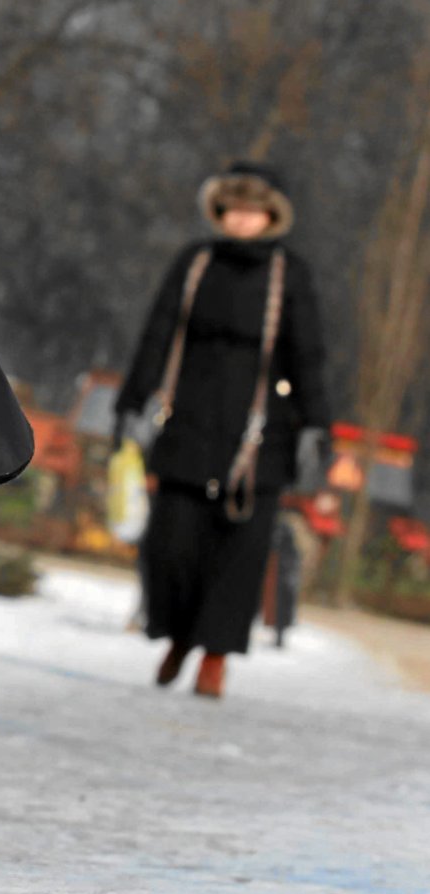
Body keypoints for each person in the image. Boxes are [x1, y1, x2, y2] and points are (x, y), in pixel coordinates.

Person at [114, 162, 330, 699]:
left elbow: (308, 356)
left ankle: (214, 656)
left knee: (239, 556)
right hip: (187, 426)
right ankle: (179, 639)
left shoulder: (290, 274)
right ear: (219, 212)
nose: (242, 219)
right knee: (172, 547)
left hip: (260, 441)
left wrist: (316, 427)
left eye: (253, 210)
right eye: (233, 208)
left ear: (271, 215)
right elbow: (157, 334)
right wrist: (131, 405)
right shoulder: (195, 262)